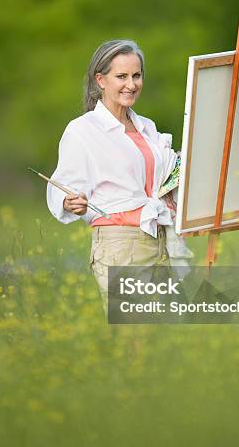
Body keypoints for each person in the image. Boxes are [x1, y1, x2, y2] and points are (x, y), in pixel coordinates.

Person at [46, 39, 193, 313]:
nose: (131, 84)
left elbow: (164, 179)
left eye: (136, 76)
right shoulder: (83, 130)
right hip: (120, 244)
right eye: (121, 76)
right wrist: (69, 202)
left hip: (161, 238)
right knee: (135, 338)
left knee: (168, 338)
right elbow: (63, 185)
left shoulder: (147, 127)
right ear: (100, 80)